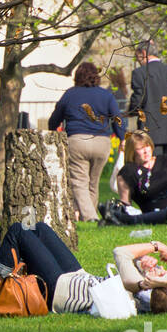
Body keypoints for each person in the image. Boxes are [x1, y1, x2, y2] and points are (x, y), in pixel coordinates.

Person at [0, 221, 132, 318]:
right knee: (38, 228)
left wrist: (156, 247)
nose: (160, 270)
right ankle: (10, 292)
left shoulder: (146, 288)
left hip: (64, 292)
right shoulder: (148, 287)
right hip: (80, 278)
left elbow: (121, 253)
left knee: (17, 231)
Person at [49, 61, 125, 220]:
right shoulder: (106, 95)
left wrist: (53, 129)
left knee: (79, 182)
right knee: (93, 182)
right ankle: (88, 218)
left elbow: (54, 119)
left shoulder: (70, 94)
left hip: (77, 141)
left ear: (77, 77)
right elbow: (117, 118)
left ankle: (92, 218)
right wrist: (122, 138)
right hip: (102, 142)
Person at [127, 40, 167, 157]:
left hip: (150, 131)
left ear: (143, 53)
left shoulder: (140, 73)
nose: (138, 61)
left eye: (138, 57)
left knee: (153, 168)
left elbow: (137, 101)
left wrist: (130, 111)